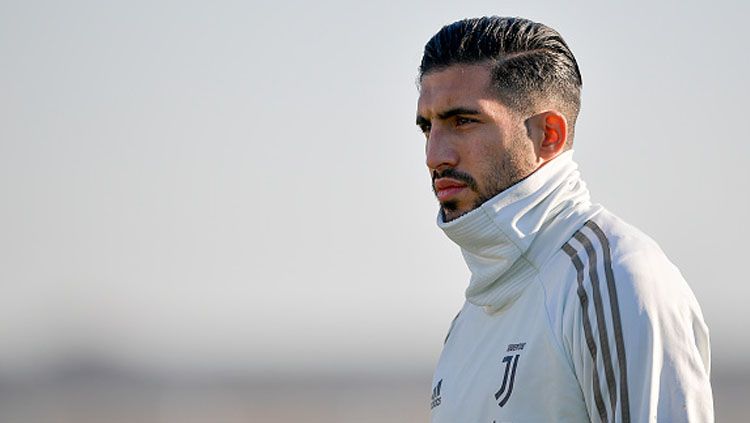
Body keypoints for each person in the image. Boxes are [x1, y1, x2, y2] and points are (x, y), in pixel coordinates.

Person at [416, 16, 713, 422]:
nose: (435, 155)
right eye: (427, 127)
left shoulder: (614, 276)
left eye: (463, 121)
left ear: (548, 134)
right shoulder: (467, 323)